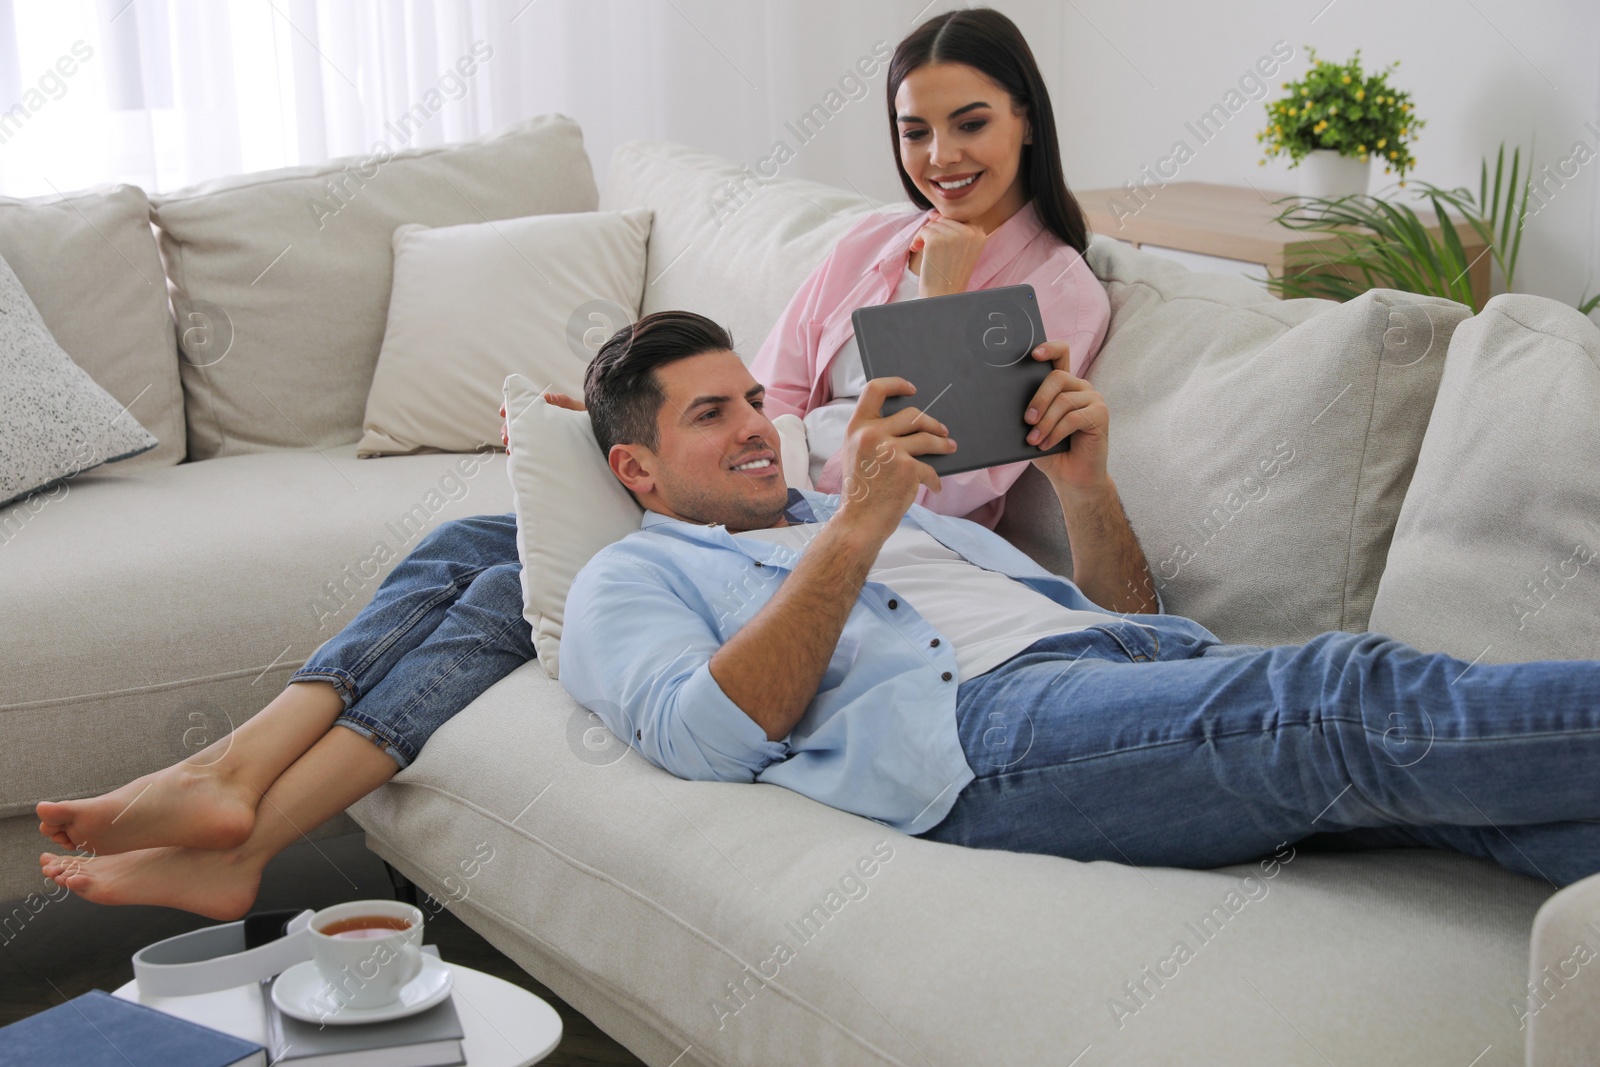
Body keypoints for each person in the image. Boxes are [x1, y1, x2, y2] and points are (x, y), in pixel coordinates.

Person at [560, 310, 1600, 888]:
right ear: (638, 468)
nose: (754, 425)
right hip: (982, 732)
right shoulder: (636, 573)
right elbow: (704, 734)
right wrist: (854, 525)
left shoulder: (918, 519)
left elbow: (1125, 617)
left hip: (1124, 674)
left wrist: (1083, 485)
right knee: (1337, 693)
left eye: (752, 399)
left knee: (1491, 816)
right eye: (711, 413)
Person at [752, 6, 1110, 528]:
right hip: (770, 505)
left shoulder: (1059, 293)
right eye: (916, 132)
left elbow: (940, 484)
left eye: (971, 124)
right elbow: (769, 395)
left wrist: (941, 301)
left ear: (1027, 121)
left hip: (887, 541)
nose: (941, 157)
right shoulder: (870, 239)